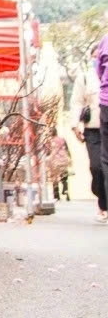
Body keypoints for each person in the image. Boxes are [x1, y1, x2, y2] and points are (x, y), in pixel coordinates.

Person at [70, 45, 106, 223]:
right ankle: (102, 199)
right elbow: (77, 102)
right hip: (93, 129)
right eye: (95, 57)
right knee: (97, 167)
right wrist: (75, 124)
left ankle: (103, 207)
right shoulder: (85, 77)